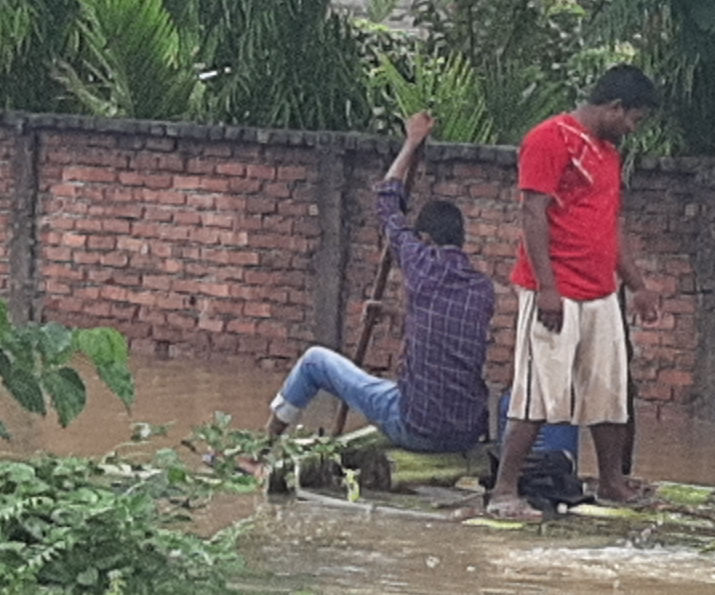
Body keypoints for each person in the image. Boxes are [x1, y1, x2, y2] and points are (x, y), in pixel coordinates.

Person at [271, 111, 517, 460]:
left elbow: (387, 198)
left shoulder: (420, 262)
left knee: (315, 361)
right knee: (393, 389)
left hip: (418, 427)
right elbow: (441, 330)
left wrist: (411, 142)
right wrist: (392, 314)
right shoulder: (482, 289)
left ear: (426, 239)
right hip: (466, 430)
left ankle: (263, 446)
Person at [485, 63, 655, 512]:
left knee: (609, 391)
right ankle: (504, 489)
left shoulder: (608, 153)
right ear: (615, 107)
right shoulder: (549, 138)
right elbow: (532, 213)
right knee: (536, 391)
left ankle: (612, 482)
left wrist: (636, 284)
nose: (632, 129)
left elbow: (610, 224)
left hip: (600, 292)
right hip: (555, 289)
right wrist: (546, 288)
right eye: (633, 120)